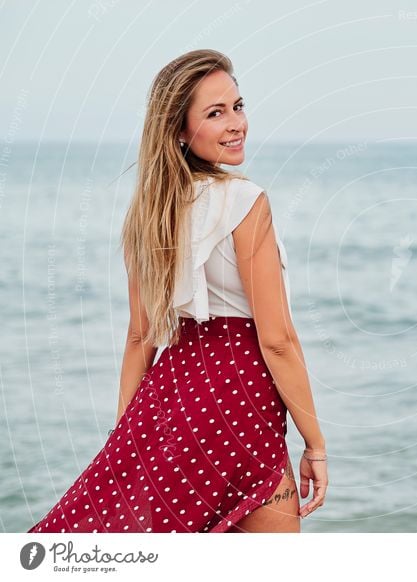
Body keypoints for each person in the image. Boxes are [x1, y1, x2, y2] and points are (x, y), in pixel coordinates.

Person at [27, 49, 327, 533]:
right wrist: (315, 443)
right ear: (180, 131)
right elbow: (277, 340)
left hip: (169, 400)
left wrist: (125, 441)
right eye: (215, 113)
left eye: (237, 106)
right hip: (241, 399)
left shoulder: (148, 214)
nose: (236, 124)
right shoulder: (245, 201)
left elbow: (137, 339)